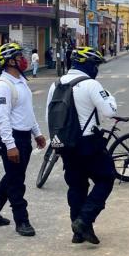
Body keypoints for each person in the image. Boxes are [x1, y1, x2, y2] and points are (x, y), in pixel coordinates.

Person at [45, 46, 118, 245]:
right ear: (87, 64)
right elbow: (110, 111)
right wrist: (109, 97)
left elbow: (48, 116)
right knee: (106, 178)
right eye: (95, 64)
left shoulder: (56, 85)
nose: (96, 68)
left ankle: (78, 231)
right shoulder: (91, 84)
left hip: (65, 143)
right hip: (88, 142)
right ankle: (85, 219)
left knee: (76, 186)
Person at [0, 42, 46, 237]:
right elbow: (2, 118)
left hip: (23, 135)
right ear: (9, 62)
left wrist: (37, 133)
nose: (23, 59)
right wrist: (10, 145)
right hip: (11, 137)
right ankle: (22, 220)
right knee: (17, 180)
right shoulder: (3, 86)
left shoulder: (21, 81)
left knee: (12, 175)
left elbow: (28, 112)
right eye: (19, 57)